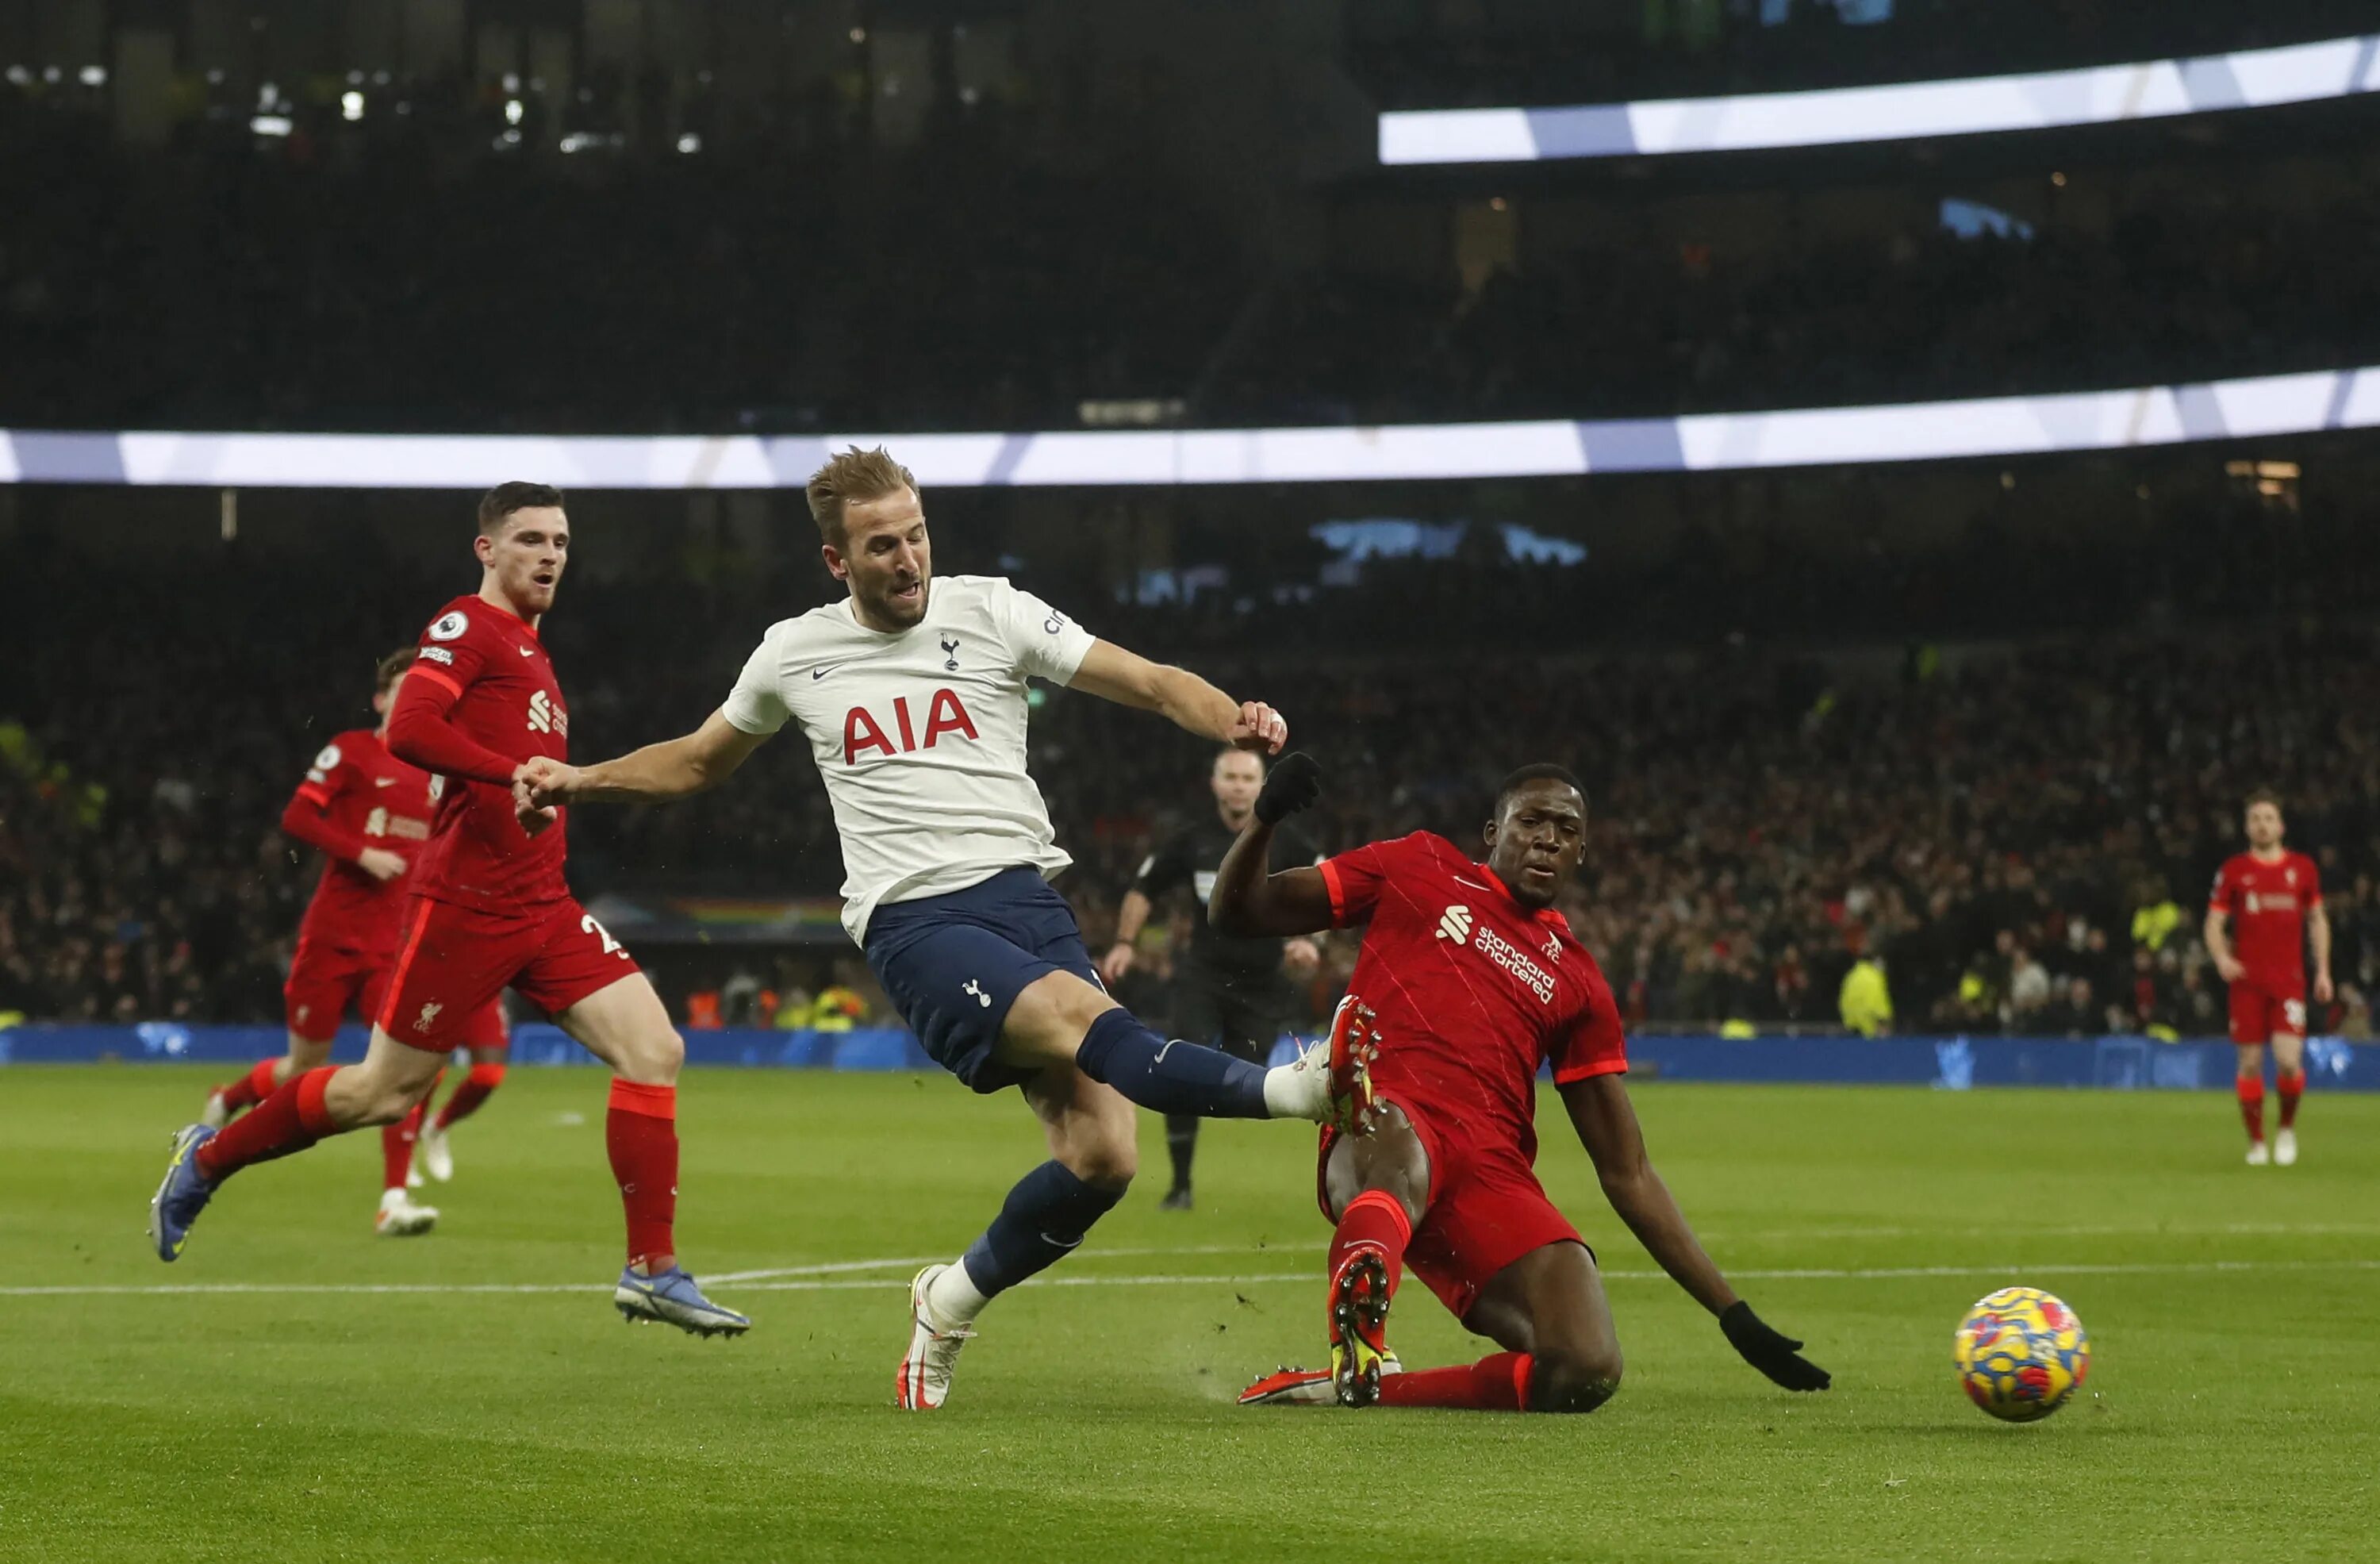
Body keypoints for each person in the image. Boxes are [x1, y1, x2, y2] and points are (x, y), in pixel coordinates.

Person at [514, 446, 1366, 1408]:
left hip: (1027, 900)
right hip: (916, 920)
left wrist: (1235, 721)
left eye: (917, 534)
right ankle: (1298, 1093)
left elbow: (1151, 681)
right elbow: (700, 762)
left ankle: (948, 1299)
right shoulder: (794, 651)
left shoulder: (991, 608)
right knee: (1085, 1021)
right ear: (838, 561)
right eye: (883, 546)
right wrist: (580, 779)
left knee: (1104, 1158)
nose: (909, 558)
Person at [149, 482, 747, 1338]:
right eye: (531, 539)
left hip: (541, 901)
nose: (550, 556)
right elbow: (410, 728)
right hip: (465, 905)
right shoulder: (467, 627)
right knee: (380, 1094)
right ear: (488, 550)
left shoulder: (532, 650)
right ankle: (209, 1155)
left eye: (562, 542)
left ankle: (652, 1271)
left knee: (655, 1049)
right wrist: (505, 773)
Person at [1211, 754, 1830, 1411]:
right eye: (1531, 820)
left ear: (1582, 851)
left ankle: (1372, 1386)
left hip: (1489, 1170)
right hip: (1383, 1117)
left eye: (1566, 829)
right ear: (1492, 831)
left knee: (1586, 1364)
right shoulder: (1418, 865)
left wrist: (1730, 1311)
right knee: (1400, 1151)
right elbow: (1241, 910)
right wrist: (1263, 821)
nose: (1547, 838)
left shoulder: (1580, 983)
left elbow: (1629, 1171)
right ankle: (1363, 1317)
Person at [198, 648, 509, 1236]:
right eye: (401, 686)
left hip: (397, 947)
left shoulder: (441, 772)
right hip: (335, 936)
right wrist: (359, 851)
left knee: (406, 1068)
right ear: (381, 698)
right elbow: (298, 816)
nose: (412, 695)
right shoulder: (350, 751)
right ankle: (229, 1096)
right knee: (302, 1065)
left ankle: (393, 1197)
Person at [1099, 748, 1324, 1209]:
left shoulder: (1294, 844)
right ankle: (1180, 1186)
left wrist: (1312, 943)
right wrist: (1124, 941)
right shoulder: (1191, 841)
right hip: (1203, 974)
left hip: (1262, 982)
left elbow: (1332, 890)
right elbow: (1146, 888)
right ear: (1216, 784)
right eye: (1231, 776)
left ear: (1262, 786)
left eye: (1248, 777)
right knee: (1182, 1063)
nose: (1239, 785)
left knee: (1246, 1082)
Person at [2205, 790, 2332, 1166]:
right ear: (2247, 827)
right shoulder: (2234, 871)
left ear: (2281, 825)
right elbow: (2213, 922)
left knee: (2289, 1061)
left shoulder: (2303, 869)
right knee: (2249, 1061)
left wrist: (2323, 969)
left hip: (2289, 979)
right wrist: (2221, 957)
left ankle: (2287, 1129)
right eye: (2255, 818)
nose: (2262, 824)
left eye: (2268, 818)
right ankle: (2257, 1142)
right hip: (2247, 981)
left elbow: (2317, 920)